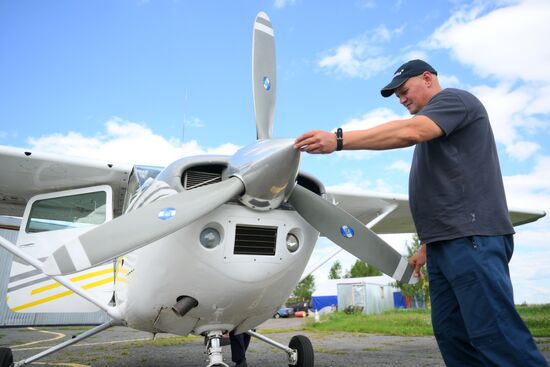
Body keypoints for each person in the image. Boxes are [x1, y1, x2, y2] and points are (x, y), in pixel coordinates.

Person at [294, 59, 548, 367]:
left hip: (471, 239)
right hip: (445, 245)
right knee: (453, 337)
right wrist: (426, 248)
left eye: (403, 90)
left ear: (427, 78)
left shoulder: (454, 101)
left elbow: (409, 132)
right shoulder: (436, 129)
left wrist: (337, 140)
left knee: (494, 335)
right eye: (397, 95)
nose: (401, 99)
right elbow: (453, 189)